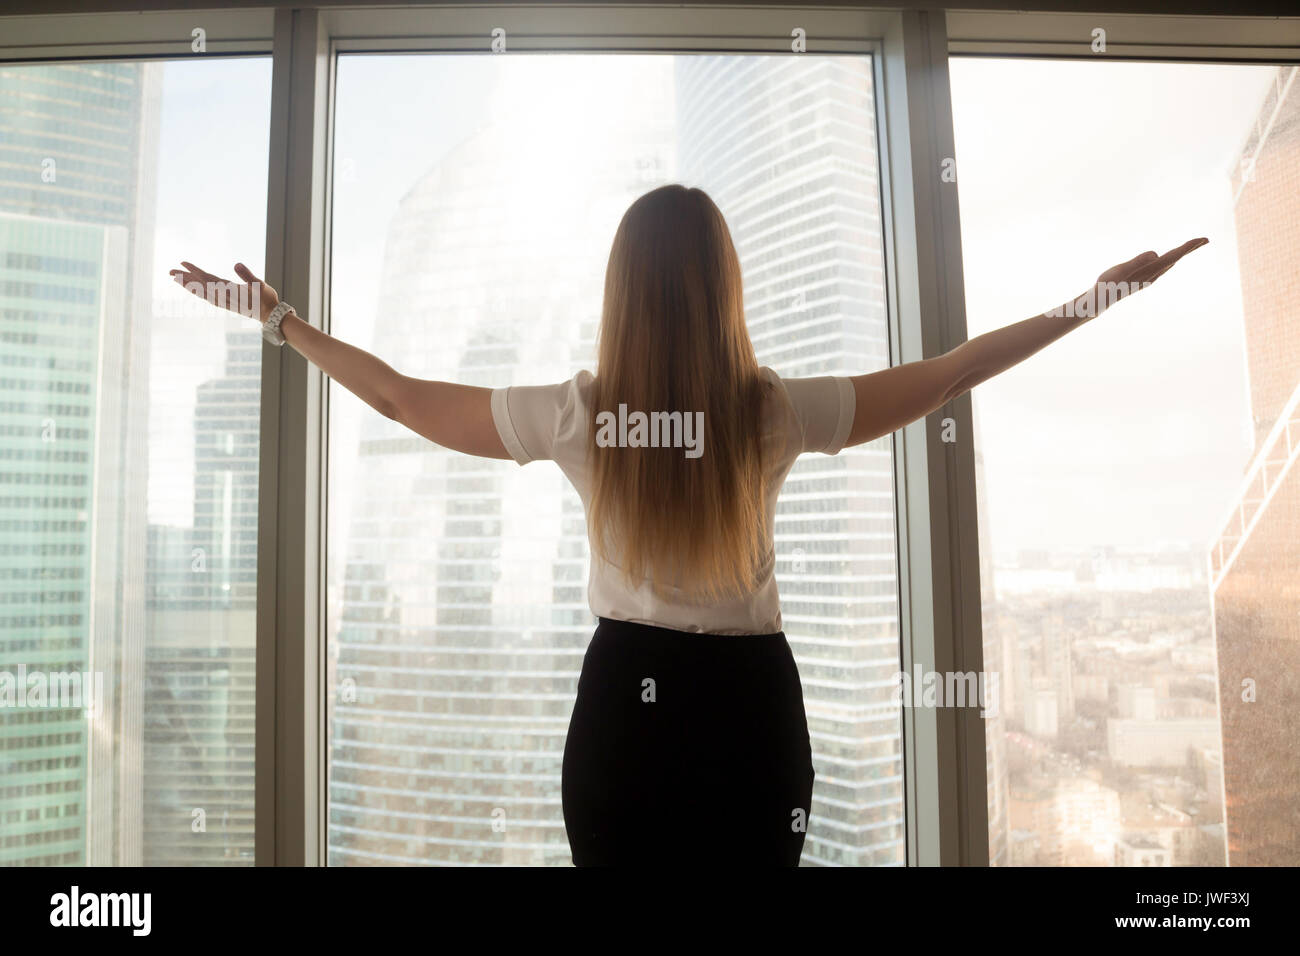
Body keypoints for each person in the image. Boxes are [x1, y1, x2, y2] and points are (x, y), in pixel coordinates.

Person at [171, 183, 1206, 866]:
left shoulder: (580, 412)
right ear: (725, 288)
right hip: (752, 710)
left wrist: (278, 321)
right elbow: (950, 373)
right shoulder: (771, 411)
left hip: (624, 708)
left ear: (623, 294)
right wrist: (1091, 301)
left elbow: (401, 400)